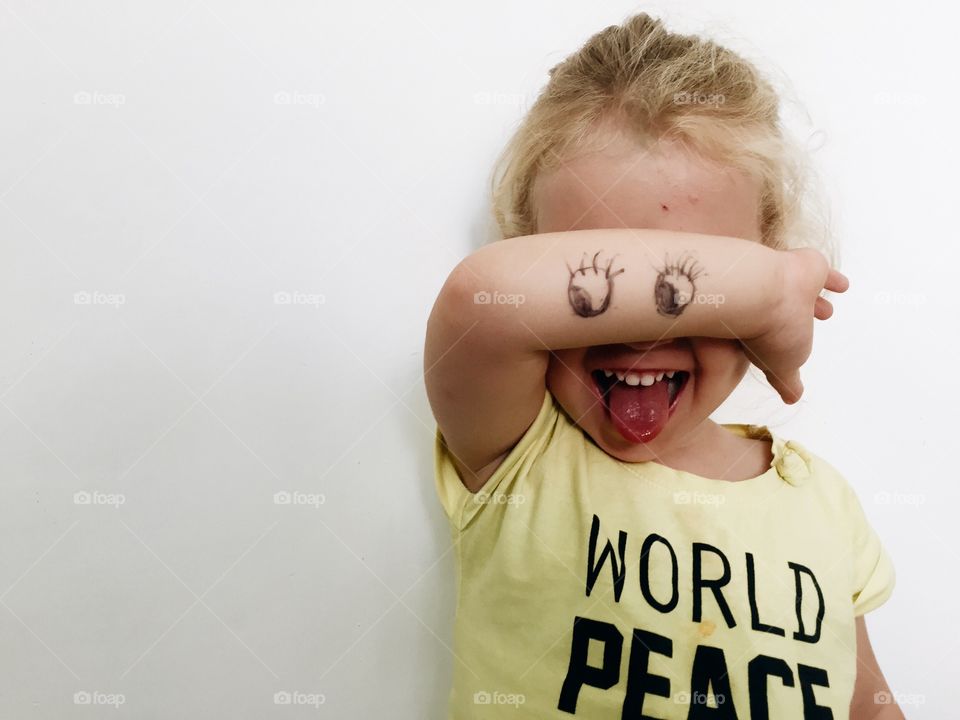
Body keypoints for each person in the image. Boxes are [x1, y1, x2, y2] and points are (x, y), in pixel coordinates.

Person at [424, 12, 902, 719]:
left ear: (772, 246)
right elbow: (479, 301)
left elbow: (870, 704)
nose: (643, 333)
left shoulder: (822, 503)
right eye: (601, 278)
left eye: (696, 287)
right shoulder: (518, 453)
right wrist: (764, 291)